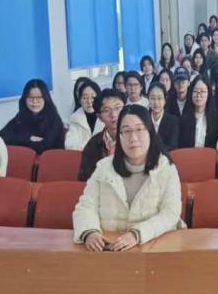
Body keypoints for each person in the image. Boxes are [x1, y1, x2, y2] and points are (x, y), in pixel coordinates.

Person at [73, 105, 184, 252]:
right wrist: (90, 232)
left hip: (152, 250)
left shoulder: (166, 169)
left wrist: (137, 234)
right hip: (108, 250)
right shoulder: (103, 168)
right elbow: (86, 206)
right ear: (119, 136)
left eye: (139, 129)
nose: (133, 138)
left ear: (150, 132)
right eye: (126, 131)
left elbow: (170, 213)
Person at [0, 79, 66, 154]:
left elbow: (44, 146)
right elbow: (1, 137)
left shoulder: (53, 119)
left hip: (49, 159)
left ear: (46, 98)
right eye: (30, 97)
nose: (34, 102)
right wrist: (29, 138)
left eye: (39, 97)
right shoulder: (21, 117)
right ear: (25, 99)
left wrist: (20, 138)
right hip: (25, 159)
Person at [78, 88, 126, 181]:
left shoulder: (138, 137)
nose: (114, 114)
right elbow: (85, 179)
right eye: (106, 110)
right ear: (99, 117)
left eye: (117, 108)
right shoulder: (93, 144)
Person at [178, 77, 218, 148]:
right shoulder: (183, 119)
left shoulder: (217, 120)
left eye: (202, 91)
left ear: (209, 94)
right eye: (195, 91)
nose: (198, 95)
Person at [65, 77, 101, 150]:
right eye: (85, 98)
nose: (89, 101)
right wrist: (94, 145)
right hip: (82, 156)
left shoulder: (106, 117)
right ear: (79, 100)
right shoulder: (75, 119)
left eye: (93, 97)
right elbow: (69, 145)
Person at [146, 82, 180, 152]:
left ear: (165, 100)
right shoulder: (144, 119)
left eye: (159, 98)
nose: (156, 102)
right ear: (148, 99)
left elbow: (172, 146)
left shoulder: (173, 121)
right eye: (152, 98)